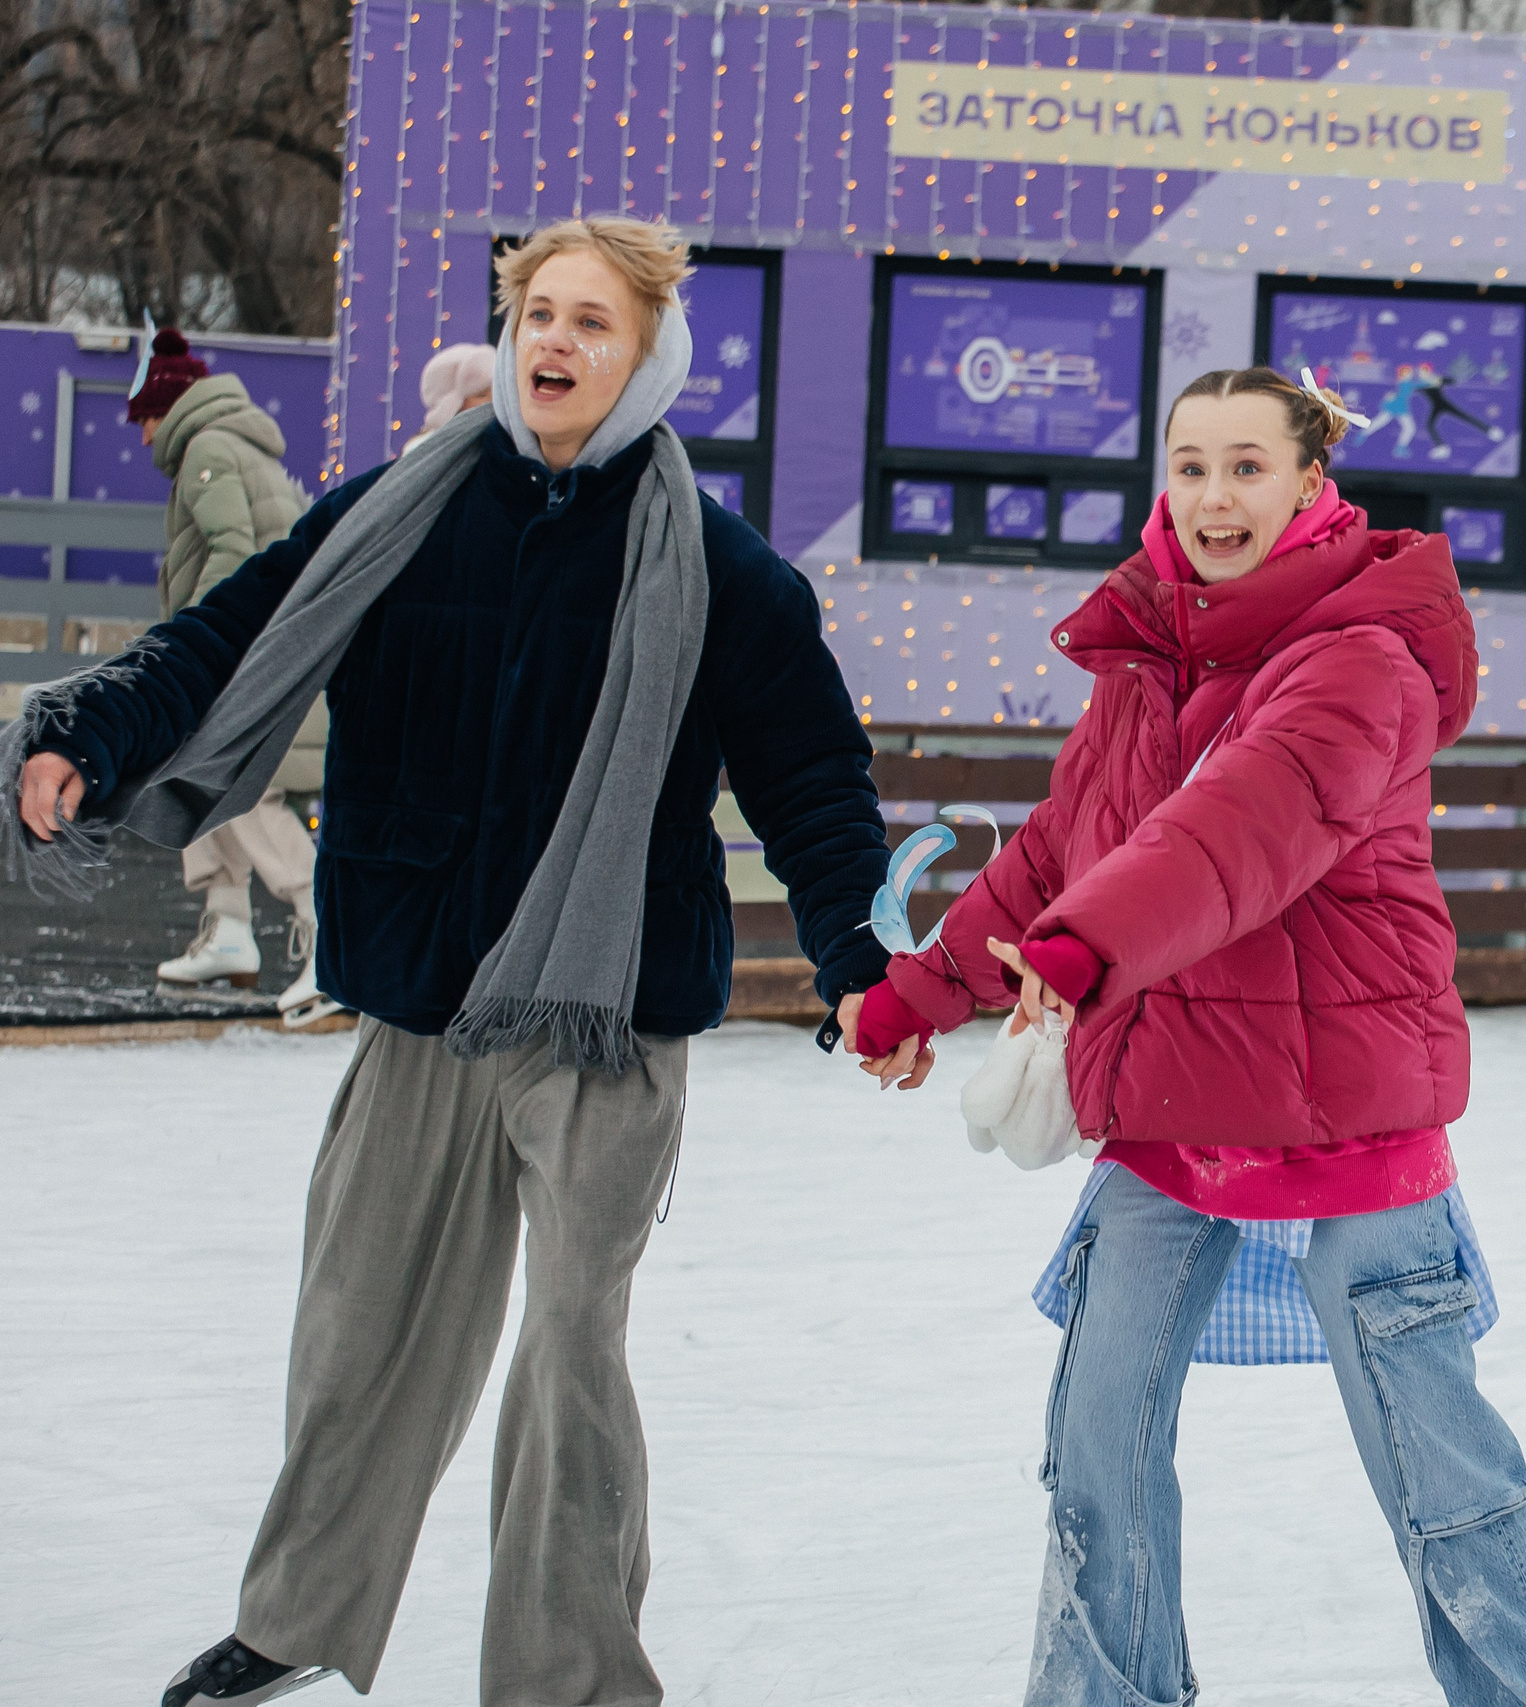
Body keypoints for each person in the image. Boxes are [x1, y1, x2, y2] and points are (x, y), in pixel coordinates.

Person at [3, 217, 892, 1707]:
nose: (554, 341)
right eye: (538, 312)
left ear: (650, 355)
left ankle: (572, 1673)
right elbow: (231, 633)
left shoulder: (719, 569)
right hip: (420, 994)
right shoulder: (396, 515)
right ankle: (294, 1616)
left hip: (600, 1018)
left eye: (592, 322)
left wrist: (856, 949)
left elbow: (812, 781)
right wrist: (87, 734)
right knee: (357, 1329)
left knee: (567, 1353)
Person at [853, 365, 1526, 1707]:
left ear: (1312, 482)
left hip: (1350, 1115)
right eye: (1191, 463)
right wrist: (926, 987)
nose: (1215, 495)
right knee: (1096, 1449)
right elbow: (1065, 841)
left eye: (1248, 465)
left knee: (1443, 1480)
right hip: (1173, 1104)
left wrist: (1087, 950)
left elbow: (1242, 829)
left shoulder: (1360, 653)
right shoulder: (1159, 647)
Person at [127, 325, 332, 1021]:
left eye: (147, 419)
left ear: (170, 409)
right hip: (270, 646)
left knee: (244, 788)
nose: (145, 437)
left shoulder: (208, 450)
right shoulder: (239, 444)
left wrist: (197, 642)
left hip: (245, 652)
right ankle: (229, 926)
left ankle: (322, 926)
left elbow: (233, 548)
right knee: (195, 773)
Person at [407, 341, 499, 452]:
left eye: (496, 392)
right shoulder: (424, 451)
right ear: (450, 405)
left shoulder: (499, 443)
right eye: (480, 395)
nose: (491, 401)